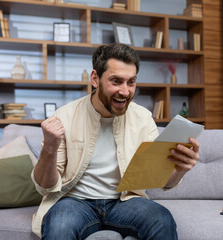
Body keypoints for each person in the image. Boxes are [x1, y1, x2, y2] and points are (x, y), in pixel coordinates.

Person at [31, 43, 200, 240]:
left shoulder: (143, 119)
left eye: (131, 82)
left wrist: (180, 170)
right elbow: (45, 186)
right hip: (75, 201)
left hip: (124, 201)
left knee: (162, 219)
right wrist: (49, 149)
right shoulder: (65, 116)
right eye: (116, 81)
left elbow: (160, 181)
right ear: (95, 78)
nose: (125, 91)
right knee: (59, 225)